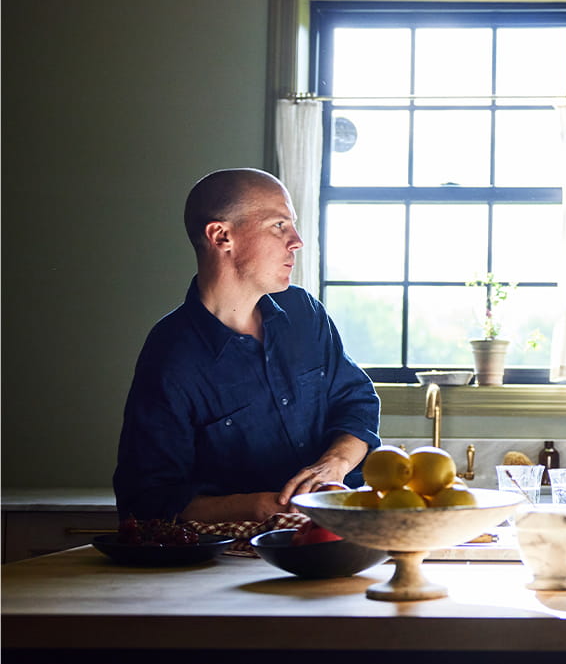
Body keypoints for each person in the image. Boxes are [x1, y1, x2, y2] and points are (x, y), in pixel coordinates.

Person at [113, 168, 380, 522]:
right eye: (279, 226)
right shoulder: (170, 357)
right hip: (239, 557)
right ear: (221, 236)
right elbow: (145, 499)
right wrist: (253, 507)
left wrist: (334, 464)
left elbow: (356, 403)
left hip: (351, 532)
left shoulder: (305, 313)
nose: (296, 241)